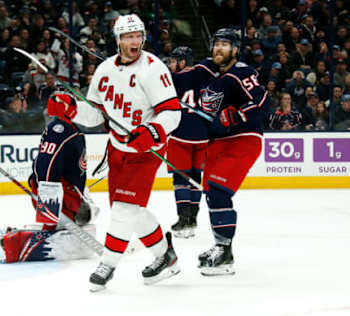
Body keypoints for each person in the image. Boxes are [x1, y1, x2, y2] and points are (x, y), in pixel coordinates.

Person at [61, 14, 182, 291]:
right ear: (118, 40)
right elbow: (94, 115)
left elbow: (172, 112)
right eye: (128, 37)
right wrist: (70, 108)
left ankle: (108, 264)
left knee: (125, 209)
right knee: (131, 210)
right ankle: (166, 256)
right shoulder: (104, 70)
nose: (134, 41)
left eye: (138, 35)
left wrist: (152, 131)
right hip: (117, 149)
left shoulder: (153, 68)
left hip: (146, 151)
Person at [0, 90, 99, 263]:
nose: (77, 108)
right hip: (58, 192)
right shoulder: (60, 129)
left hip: (63, 190)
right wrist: (47, 194)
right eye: (73, 105)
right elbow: (46, 163)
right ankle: (12, 243)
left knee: (86, 217)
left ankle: (16, 236)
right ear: (66, 108)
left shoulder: (64, 128)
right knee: (61, 228)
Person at [197, 28, 270, 276]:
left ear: (235, 49)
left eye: (225, 45)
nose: (219, 48)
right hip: (217, 142)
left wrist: (237, 114)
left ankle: (225, 253)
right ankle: (220, 243)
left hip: (243, 138)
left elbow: (261, 101)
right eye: (216, 44)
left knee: (218, 189)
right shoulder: (207, 74)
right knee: (211, 194)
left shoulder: (242, 71)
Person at [167, 46, 209, 238]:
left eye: (174, 61)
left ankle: (184, 220)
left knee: (181, 179)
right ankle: (192, 220)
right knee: (195, 178)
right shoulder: (204, 74)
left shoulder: (173, 79)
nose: (170, 64)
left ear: (183, 61)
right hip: (203, 136)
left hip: (181, 135)